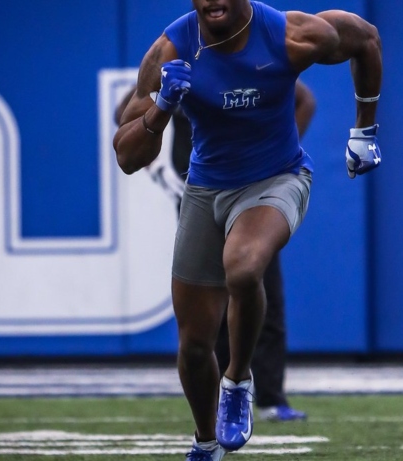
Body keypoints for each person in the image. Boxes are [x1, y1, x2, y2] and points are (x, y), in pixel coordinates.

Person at [113, 1, 382, 459]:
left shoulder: (290, 35)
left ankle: (238, 378)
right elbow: (126, 156)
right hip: (205, 188)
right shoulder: (171, 49)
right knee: (194, 345)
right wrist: (161, 108)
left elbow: (366, 38)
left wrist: (364, 129)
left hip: (277, 178)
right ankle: (206, 442)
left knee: (242, 268)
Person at [113, 79, 316, 423]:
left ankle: (266, 394)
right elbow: (129, 109)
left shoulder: (255, 62)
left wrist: (280, 153)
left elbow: (304, 98)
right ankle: (224, 394)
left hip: (253, 190)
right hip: (200, 192)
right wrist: (157, 166)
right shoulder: (182, 64)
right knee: (208, 304)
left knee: (257, 284)